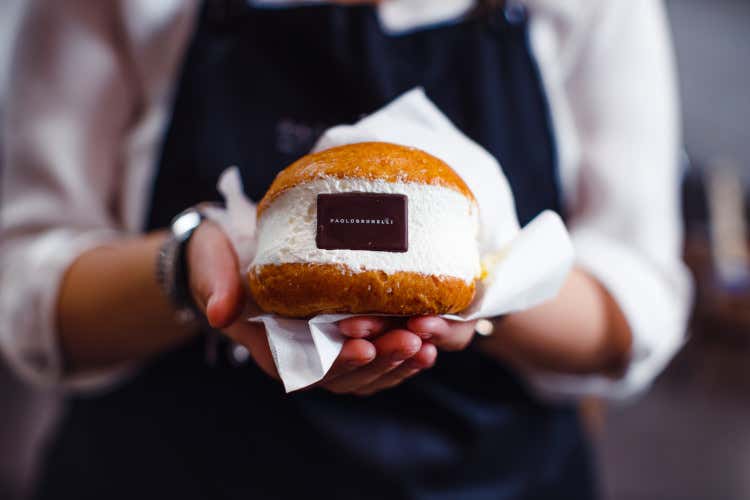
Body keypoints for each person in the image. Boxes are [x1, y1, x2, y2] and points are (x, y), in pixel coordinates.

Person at [0, 0, 692, 498]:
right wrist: (190, 268)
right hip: (165, 469)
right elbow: (25, 287)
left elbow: (637, 306)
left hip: (494, 479)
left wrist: (484, 290)